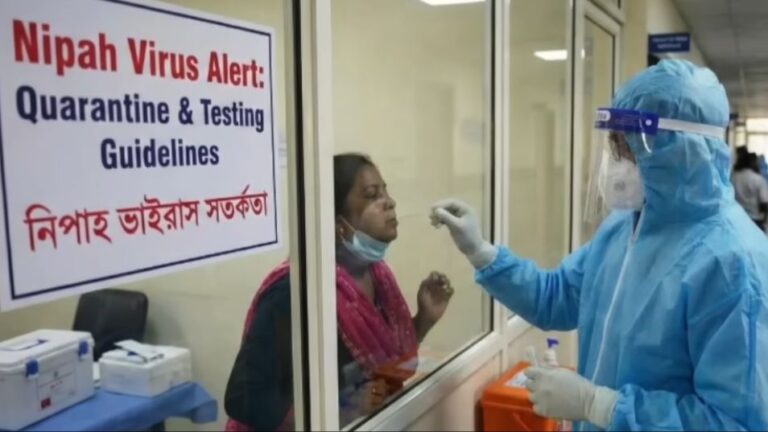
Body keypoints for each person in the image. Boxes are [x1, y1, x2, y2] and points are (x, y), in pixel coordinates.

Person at [432, 59, 768, 430]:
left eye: (626, 146)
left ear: (676, 150)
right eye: (613, 144)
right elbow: (557, 297)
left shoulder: (733, 263)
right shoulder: (626, 226)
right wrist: (482, 253)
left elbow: (735, 422)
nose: (616, 160)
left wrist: (602, 406)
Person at [224, 153, 454, 431]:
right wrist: (341, 412)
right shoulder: (296, 292)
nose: (390, 202)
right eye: (372, 195)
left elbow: (387, 362)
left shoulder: (379, 277)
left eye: (385, 191)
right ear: (337, 223)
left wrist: (424, 319)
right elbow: (244, 399)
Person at [732, 150, 768, 230]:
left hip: (737, 218)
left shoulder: (733, 177)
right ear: (753, 163)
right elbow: (764, 202)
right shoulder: (758, 179)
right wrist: (765, 219)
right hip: (755, 220)